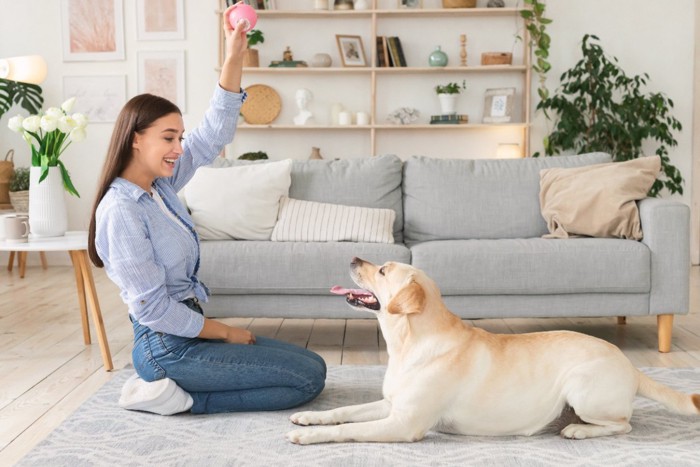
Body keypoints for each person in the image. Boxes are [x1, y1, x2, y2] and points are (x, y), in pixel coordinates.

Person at [87, 5, 326, 415]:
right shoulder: (121, 210)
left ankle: (174, 394)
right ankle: (172, 398)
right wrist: (225, 332)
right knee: (303, 381)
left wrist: (234, 57)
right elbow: (153, 309)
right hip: (165, 345)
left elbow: (213, 132)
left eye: (179, 136)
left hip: (188, 331)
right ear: (135, 140)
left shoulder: (160, 187)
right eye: (168, 137)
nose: (179, 148)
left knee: (314, 365)